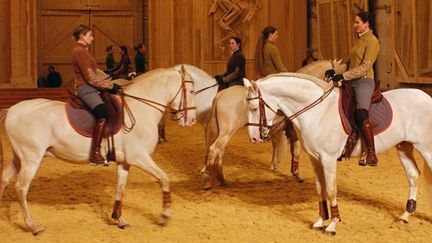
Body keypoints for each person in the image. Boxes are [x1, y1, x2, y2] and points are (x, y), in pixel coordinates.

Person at [324, 11, 380, 167]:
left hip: (364, 81)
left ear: (366, 23)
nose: (354, 25)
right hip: (351, 80)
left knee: (361, 113)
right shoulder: (358, 41)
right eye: (354, 22)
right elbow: (349, 63)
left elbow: (364, 67)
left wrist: (343, 77)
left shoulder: (373, 42)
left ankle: (371, 153)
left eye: (357, 22)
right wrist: (334, 72)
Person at [71, 24, 122, 166]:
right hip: (86, 88)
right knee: (103, 114)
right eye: (90, 35)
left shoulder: (83, 51)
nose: (92, 38)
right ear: (82, 36)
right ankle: (95, 153)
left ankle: (110, 149)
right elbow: (91, 78)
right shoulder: (80, 52)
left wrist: (109, 79)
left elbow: (96, 72)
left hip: (92, 87)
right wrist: (112, 86)